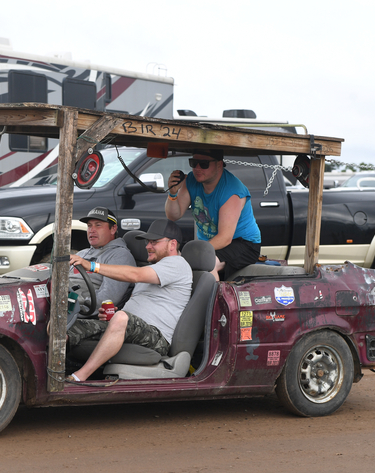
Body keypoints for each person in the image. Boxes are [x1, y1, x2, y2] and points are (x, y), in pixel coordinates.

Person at [66, 219, 192, 382]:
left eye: (154, 242)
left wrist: (92, 266)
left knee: (121, 318)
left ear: (172, 244)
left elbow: (135, 275)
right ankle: (52, 370)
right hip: (131, 328)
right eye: (147, 242)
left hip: (157, 337)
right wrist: (114, 314)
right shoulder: (154, 268)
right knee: (65, 326)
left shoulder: (177, 264)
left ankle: (78, 377)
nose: (147, 246)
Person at [165, 149, 262, 281]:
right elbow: (174, 216)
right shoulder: (191, 181)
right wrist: (172, 194)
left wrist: (195, 252)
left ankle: (214, 300)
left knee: (206, 264)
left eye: (204, 164)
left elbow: (225, 238)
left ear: (219, 165)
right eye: (194, 163)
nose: (197, 168)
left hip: (243, 244)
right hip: (210, 243)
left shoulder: (232, 190)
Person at [71, 207, 136, 314]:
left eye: (98, 225)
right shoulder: (82, 253)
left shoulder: (120, 255)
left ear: (113, 229)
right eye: (89, 226)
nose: (92, 230)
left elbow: (109, 297)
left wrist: (76, 305)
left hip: (82, 313)